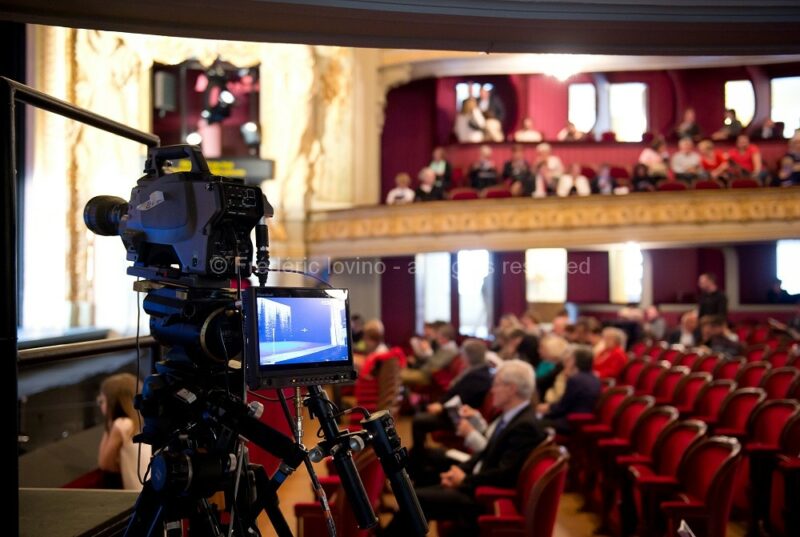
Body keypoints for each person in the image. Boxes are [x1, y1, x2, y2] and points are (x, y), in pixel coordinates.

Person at [386, 360, 546, 536]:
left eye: (497, 384)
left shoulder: (525, 425)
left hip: (482, 497)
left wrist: (464, 480)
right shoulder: (512, 416)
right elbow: (484, 454)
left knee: (415, 499)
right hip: (476, 482)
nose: (492, 390)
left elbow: (504, 475)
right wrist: (458, 471)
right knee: (416, 495)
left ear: (512, 389)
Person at [410, 339, 494, 455]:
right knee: (420, 411)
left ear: (469, 357)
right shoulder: (474, 369)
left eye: (463, 355)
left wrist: (441, 407)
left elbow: (464, 400)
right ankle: (420, 452)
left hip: (460, 416)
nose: (462, 358)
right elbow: (456, 392)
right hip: (455, 409)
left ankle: (418, 455)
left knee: (419, 420)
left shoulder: (480, 376)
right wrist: (441, 403)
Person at [97, 373, 151, 491]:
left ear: (113, 402)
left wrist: (109, 420)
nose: (100, 405)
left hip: (136, 496)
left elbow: (104, 463)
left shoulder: (122, 425)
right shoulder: (140, 422)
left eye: (102, 400)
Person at [537, 345, 601, 434]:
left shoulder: (576, 379)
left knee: (534, 424)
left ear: (575, 361)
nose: (567, 362)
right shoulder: (593, 377)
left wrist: (548, 409)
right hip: (577, 417)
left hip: (572, 421)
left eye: (570, 359)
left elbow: (563, 407)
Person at [402, 323, 459, 388]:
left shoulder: (450, 350)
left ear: (446, 338)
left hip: (427, 376)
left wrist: (428, 351)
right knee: (397, 374)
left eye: (439, 338)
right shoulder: (445, 347)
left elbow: (436, 365)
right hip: (424, 372)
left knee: (397, 376)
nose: (437, 340)